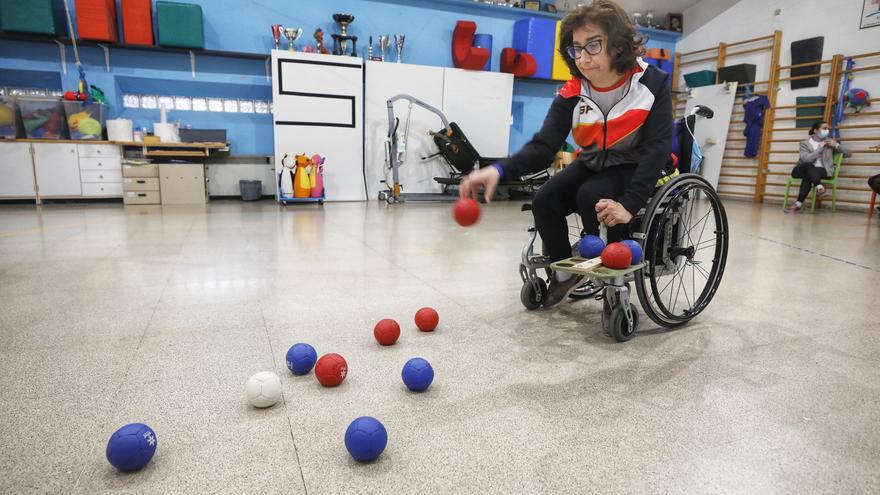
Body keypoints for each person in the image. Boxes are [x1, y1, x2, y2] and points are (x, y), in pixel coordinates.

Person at [459, 0, 673, 308]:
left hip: (636, 163)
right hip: (595, 161)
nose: (583, 58)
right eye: (576, 48)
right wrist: (499, 170)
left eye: (593, 46)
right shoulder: (573, 90)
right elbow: (544, 145)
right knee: (545, 200)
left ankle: (615, 273)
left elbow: (657, 147)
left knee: (592, 194)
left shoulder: (652, 83)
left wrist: (629, 204)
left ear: (617, 46)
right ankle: (563, 275)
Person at [787, 121, 852, 212]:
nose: (827, 130)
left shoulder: (830, 142)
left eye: (828, 129)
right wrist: (819, 149)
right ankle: (819, 187)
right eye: (824, 128)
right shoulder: (805, 143)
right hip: (801, 169)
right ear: (816, 131)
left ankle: (799, 204)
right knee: (808, 166)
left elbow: (849, 154)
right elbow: (805, 159)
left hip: (822, 170)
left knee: (808, 175)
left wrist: (836, 145)